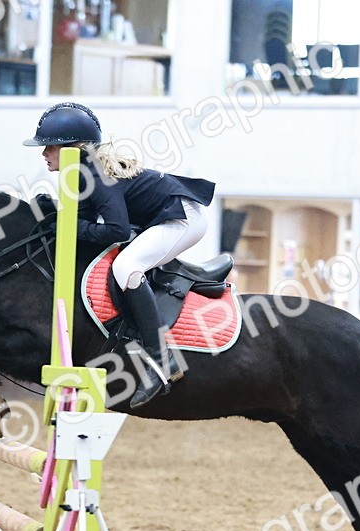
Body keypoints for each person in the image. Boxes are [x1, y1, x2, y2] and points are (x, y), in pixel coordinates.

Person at [24, 102, 216, 408]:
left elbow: (115, 230)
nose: (43, 153)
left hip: (184, 217)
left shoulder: (96, 177)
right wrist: (56, 219)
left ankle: (161, 359)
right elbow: (79, 230)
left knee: (127, 267)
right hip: (167, 216)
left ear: (73, 147)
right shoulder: (81, 176)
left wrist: (70, 223)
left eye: (49, 146)